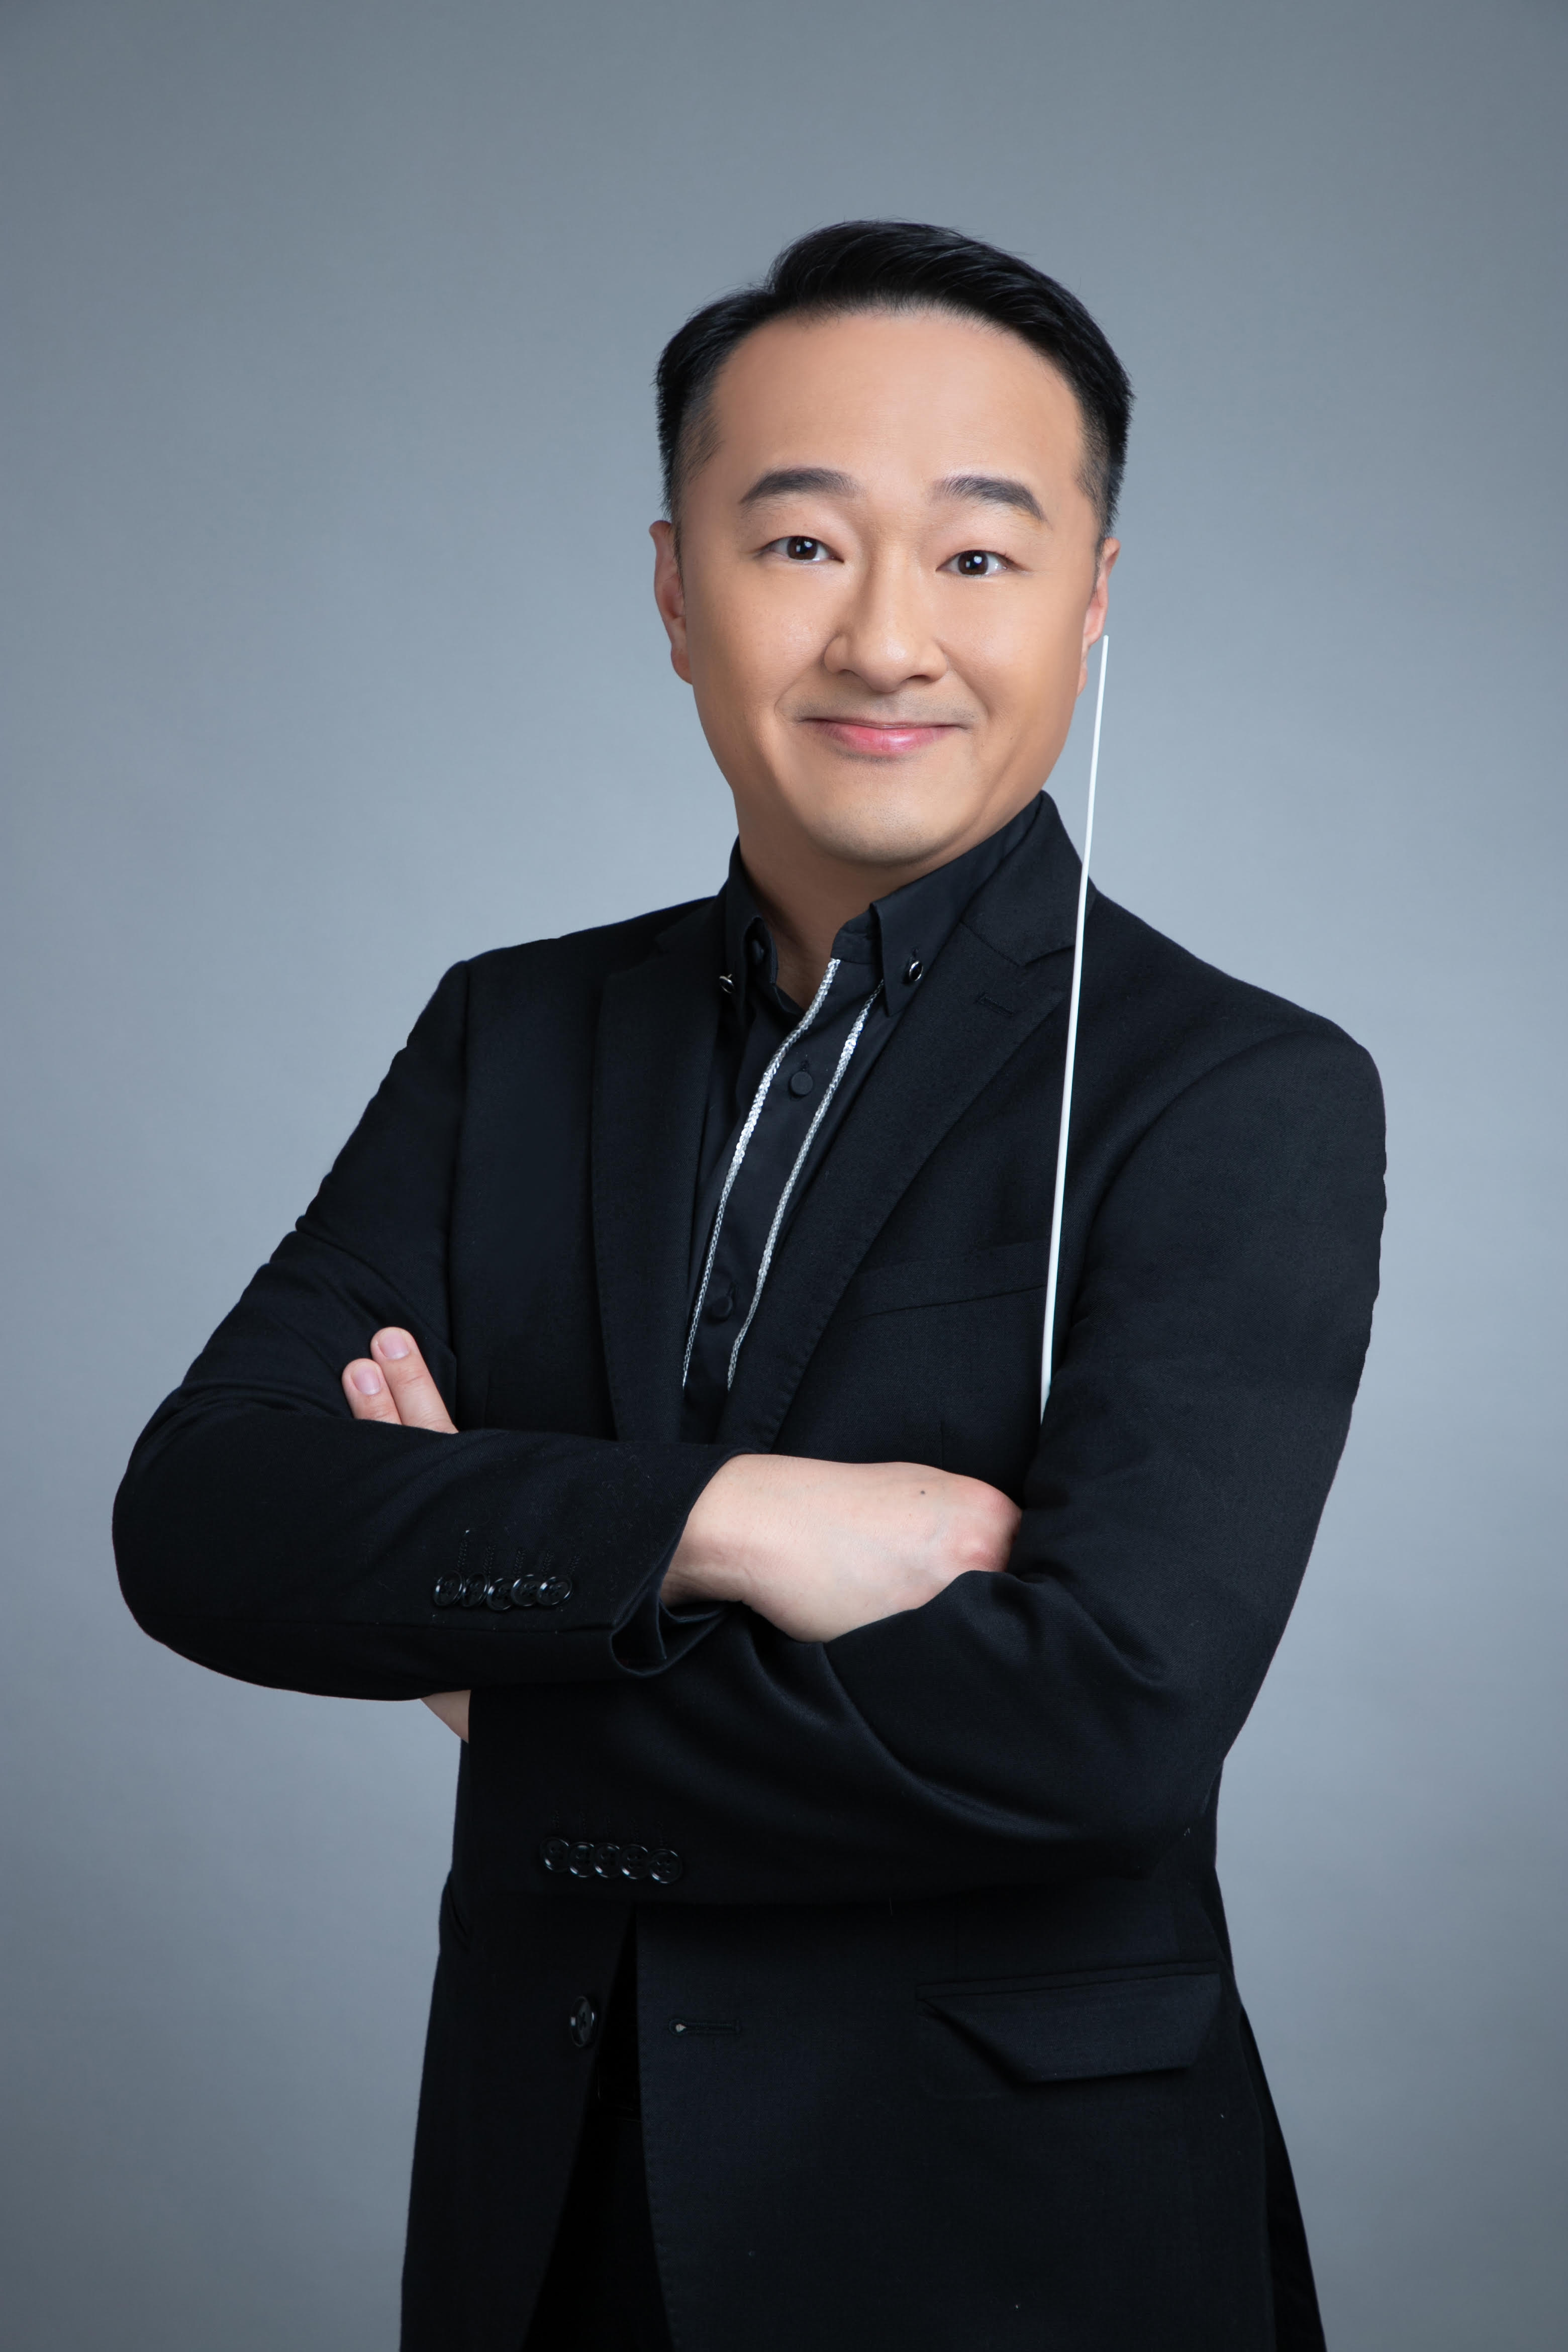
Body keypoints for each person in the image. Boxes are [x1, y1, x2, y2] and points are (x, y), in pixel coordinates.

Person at [114, 220, 1385, 2351]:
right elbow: (203, 1516)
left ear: (1091, 600)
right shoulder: (513, 1036)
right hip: (550, 2220)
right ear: (675, 588)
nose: (887, 638)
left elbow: (1105, 1730)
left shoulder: (1235, 1088)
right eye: (801, 542)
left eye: (978, 555)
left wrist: (509, 1669)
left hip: (1016, 2245)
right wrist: (733, 1522)